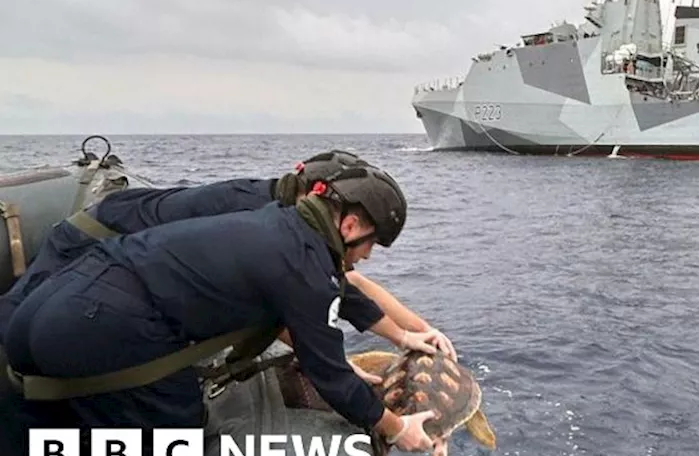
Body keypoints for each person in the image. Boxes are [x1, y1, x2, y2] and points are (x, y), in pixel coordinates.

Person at [1, 163, 442, 456]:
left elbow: (338, 292)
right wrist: (398, 429)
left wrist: (403, 336)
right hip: (100, 326)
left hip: (47, 305)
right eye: (370, 246)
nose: (366, 258)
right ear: (350, 226)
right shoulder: (302, 264)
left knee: (41, 433)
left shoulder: (278, 222)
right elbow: (329, 374)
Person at [0, 150, 456, 362]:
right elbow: (309, 298)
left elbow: (335, 282)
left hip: (110, 267)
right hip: (86, 254)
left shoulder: (279, 216)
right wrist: (347, 372)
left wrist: (411, 334)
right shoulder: (266, 224)